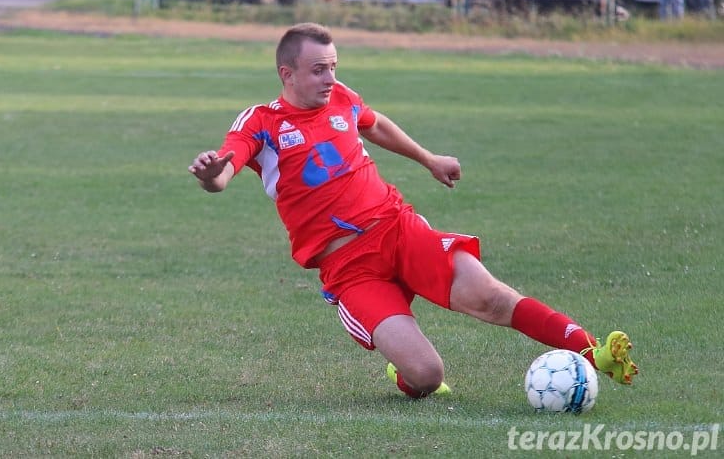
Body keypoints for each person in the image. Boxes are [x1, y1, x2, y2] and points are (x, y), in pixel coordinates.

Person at [189, 22, 638, 398]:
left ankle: (589, 350)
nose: (329, 78)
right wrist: (211, 173)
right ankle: (399, 363)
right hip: (349, 267)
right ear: (287, 74)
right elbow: (223, 176)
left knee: (491, 297)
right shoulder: (261, 123)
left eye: (333, 68)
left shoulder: (341, 97)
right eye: (318, 70)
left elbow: (375, 123)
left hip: (397, 227)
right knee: (427, 376)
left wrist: (429, 159)